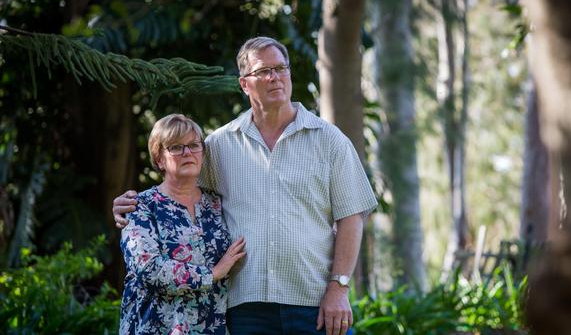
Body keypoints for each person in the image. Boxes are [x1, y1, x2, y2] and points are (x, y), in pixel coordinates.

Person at [114, 36, 377, 335]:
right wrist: (130, 204)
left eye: (281, 68)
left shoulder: (330, 141)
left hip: (315, 302)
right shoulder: (220, 145)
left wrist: (339, 287)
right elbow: (177, 192)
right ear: (244, 84)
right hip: (244, 309)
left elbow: (351, 216)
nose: (275, 77)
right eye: (264, 71)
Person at [119, 114, 246, 335]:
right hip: (155, 327)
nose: (187, 152)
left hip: (211, 327)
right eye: (176, 147)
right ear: (159, 159)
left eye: (194, 145)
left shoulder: (217, 204)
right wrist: (213, 273)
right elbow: (148, 269)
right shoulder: (140, 206)